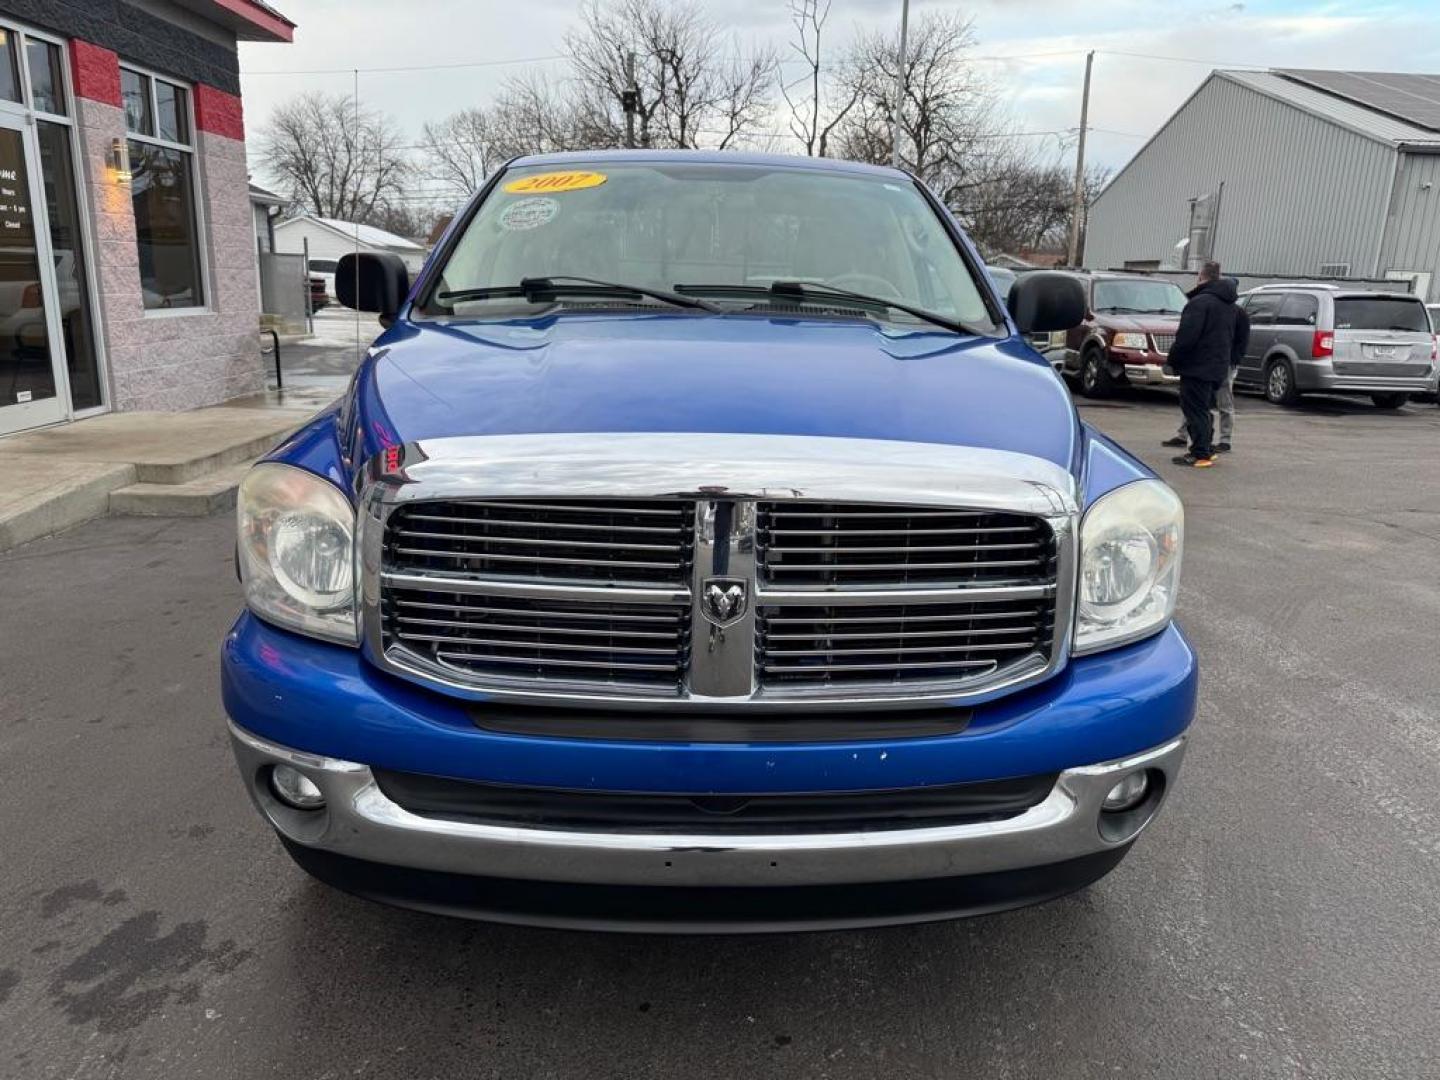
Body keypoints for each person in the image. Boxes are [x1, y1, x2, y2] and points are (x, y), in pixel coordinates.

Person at [1164, 262, 1241, 468]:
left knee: (1194, 409)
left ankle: (1199, 453)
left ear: (1201, 276)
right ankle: (1205, 448)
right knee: (1204, 409)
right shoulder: (1230, 306)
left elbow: (1187, 337)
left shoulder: (1199, 303)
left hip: (1197, 366)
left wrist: (1172, 360)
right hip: (1218, 366)